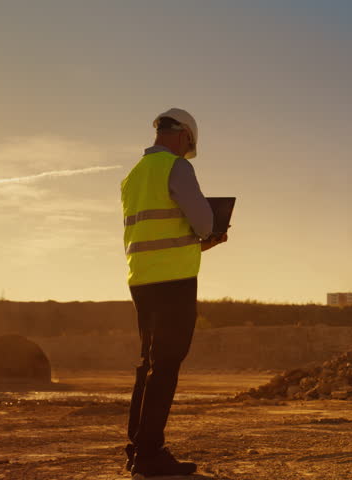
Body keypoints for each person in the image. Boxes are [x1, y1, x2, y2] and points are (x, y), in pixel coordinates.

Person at [120, 107, 227, 477]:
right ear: (184, 136)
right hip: (174, 284)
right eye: (189, 145)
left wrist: (200, 245)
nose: (187, 151)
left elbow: (156, 236)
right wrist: (212, 230)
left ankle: (137, 449)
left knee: (148, 365)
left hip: (142, 280)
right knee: (165, 367)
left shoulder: (133, 176)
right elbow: (202, 221)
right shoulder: (177, 168)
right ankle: (150, 455)